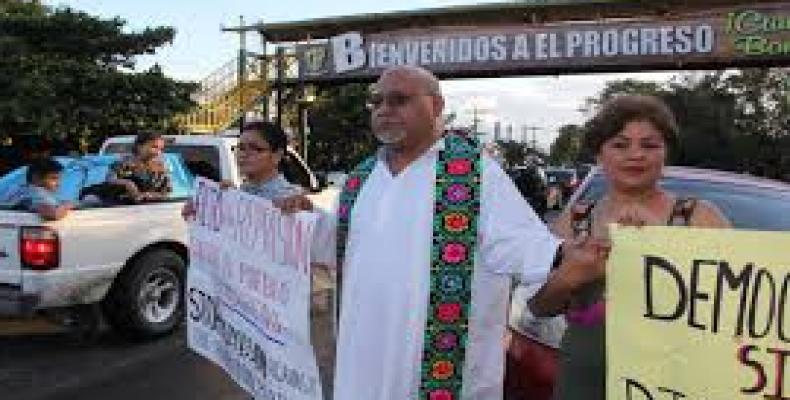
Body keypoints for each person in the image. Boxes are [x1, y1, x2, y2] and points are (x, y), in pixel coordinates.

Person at [307, 65, 608, 400]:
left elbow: (524, 246)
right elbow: (334, 245)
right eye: (376, 102)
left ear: (435, 106)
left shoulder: (473, 176)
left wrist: (567, 254)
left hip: (443, 376)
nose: (384, 110)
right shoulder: (360, 178)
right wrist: (298, 217)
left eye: (398, 100)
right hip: (365, 366)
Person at [547, 95, 731, 400]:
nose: (636, 155)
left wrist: (661, 244)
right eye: (620, 145)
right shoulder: (576, 219)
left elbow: (736, 302)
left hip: (675, 383)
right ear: (599, 154)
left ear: (665, 152)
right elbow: (540, 307)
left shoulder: (701, 216)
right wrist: (570, 275)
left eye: (649, 145)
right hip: (584, 380)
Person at [106, 132, 172, 203]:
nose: (158, 152)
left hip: (155, 208)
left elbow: (167, 193)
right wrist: (127, 184)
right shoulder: (122, 163)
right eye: (154, 147)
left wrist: (150, 195)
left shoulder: (161, 167)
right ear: (139, 146)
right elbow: (109, 181)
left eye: (160, 149)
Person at [8, 157, 73, 220]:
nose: (58, 184)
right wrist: (67, 205)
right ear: (36, 178)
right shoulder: (37, 192)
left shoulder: (20, 190)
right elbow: (53, 214)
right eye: (53, 178)